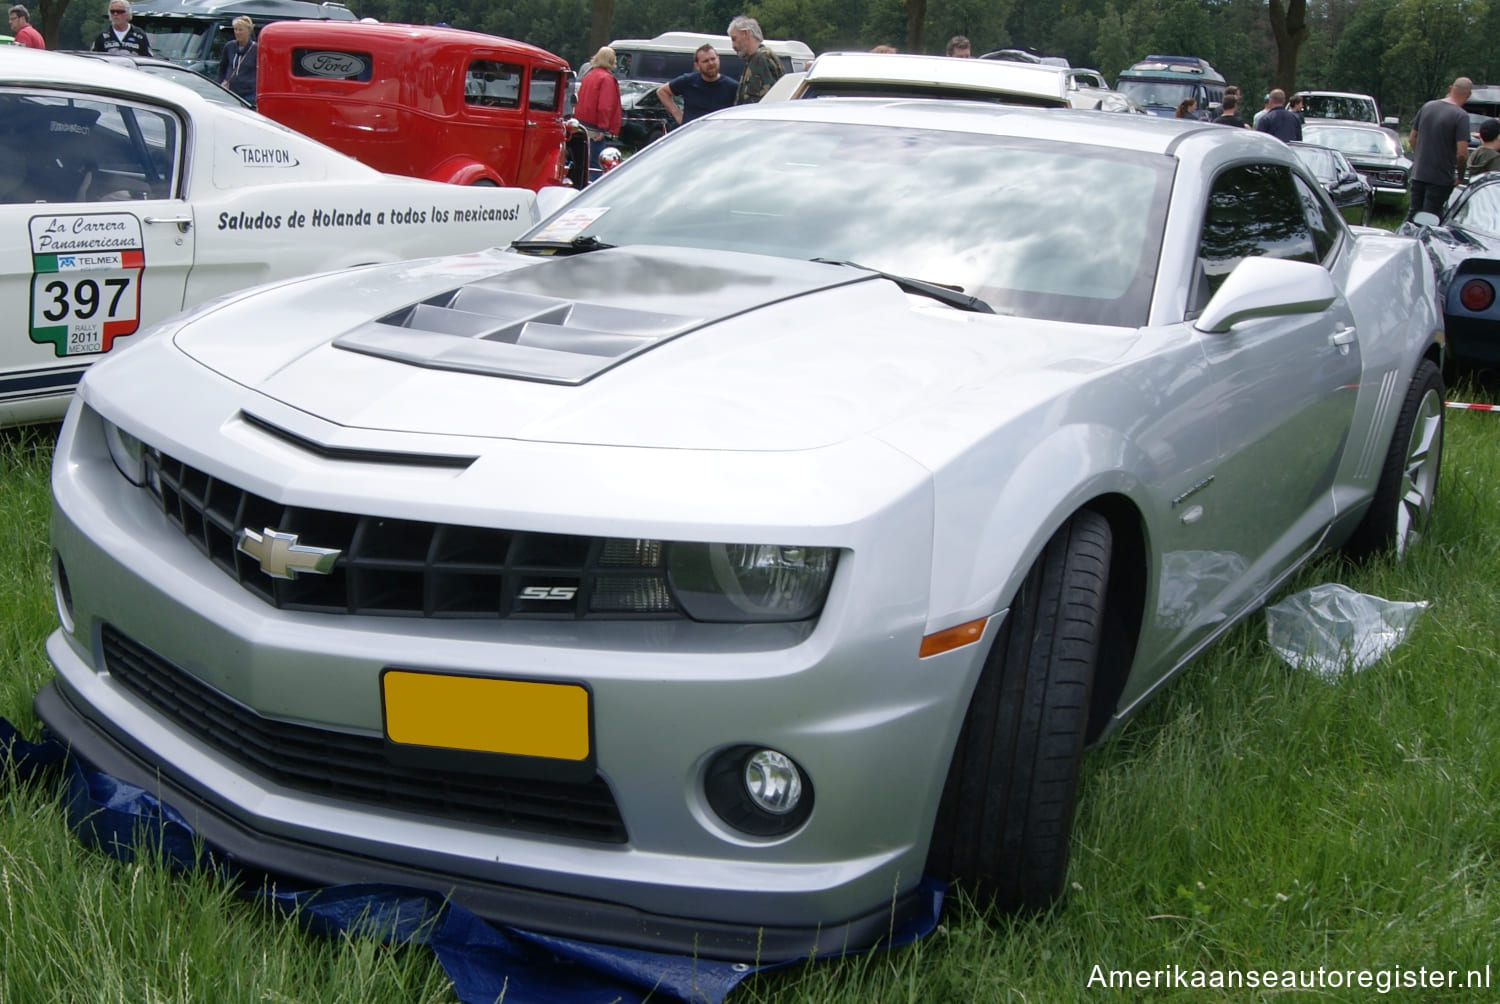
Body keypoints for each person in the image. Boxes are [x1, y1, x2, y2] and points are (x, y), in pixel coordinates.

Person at [1409, 77, 1474, 218]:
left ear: (1450, 89)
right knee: (1430, 217)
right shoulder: (1461, 116)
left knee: (1414, 213)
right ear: (1468, 95)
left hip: (1419, 173)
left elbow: (1412, 138)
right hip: (1440, 177)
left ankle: (1405, 238)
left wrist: (1422, 157)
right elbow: (1462, 153)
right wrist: (1460, 176)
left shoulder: (1427, 106)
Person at [571, 46, 621, 188]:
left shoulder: (589, 75)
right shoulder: (606, 79)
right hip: (595, 128)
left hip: (582, 123)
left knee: (582, 162)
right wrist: (603, 128)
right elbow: (605, 106)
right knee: (597, 164)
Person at [655, 42, 737, 126]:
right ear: (697, 65)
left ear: (718, 59)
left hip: (718, 134)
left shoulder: (733, 87)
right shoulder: (687, 81)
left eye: (713, 59)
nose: (711, 63)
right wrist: (678, 115)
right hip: (691, 134)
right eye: (705, 61)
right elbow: (662, 91)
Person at [728, 15, 783, 104]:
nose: (733, 46)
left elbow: (766, 102)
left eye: (734, 39)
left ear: (745, 34)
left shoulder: (760, 59)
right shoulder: (757, 59)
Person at [217, 15, 257, 107]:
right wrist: (221, 83)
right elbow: (222, 66)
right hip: (230, 92)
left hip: (249, 93)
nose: (237, 32)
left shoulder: (256, 49)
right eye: (235, 29)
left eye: (240, 30)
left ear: (248, 31)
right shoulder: (229, 46)